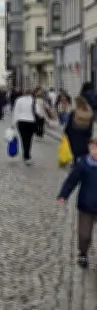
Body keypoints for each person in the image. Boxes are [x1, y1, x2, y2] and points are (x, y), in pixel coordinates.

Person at [58, 139, 97, 268]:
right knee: (84, 234)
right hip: (86, 205)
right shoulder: (83, 163)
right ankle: (83, 254)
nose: (95, 152)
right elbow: (71, 181)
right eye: (93, 148)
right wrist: (64, 194)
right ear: (89, 148)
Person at [64, 97, 95, 161]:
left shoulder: (74, 113)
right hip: (84, 137)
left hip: (73, 136)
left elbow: (69, 124)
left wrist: (65, 132)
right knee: (83, 153)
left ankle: (76, 164)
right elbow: (90, 127)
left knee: (75, 153)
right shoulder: (90, 114)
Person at [12, 89, 38, 165]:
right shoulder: (34, 100)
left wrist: (13, 123)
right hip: (31, 121)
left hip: (22, 121)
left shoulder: (19, 100)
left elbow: (16, 111)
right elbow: (37, 111)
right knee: (29, 139)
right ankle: (27, 155)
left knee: (24, 139)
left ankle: (26, 155)